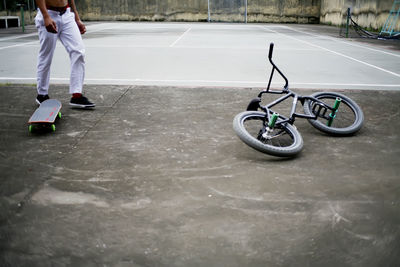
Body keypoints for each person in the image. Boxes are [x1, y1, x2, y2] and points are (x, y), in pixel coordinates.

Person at [34, 0, 95, 108]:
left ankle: (76, 95)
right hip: (49, 13)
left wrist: (76, 18)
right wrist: (46, 16)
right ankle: (42, 94)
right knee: (46, 55)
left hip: (67, 14)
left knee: (78, 51)